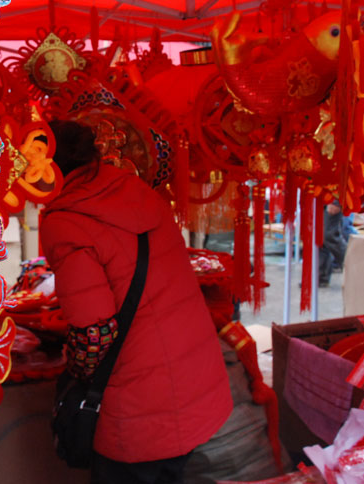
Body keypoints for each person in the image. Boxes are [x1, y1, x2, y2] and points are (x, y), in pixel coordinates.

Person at [40, 120, 232, 484]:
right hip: (194, 381)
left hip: (139, 404)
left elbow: (94, 333)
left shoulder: (65, 220)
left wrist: (75, 371)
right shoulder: (134, 188)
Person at [319, 201, 350, 287]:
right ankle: (320, 275)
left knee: (330, 236)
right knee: (320, 237)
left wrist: (335, 202)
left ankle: (352, 268)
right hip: (320, 200)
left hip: (330, 199)